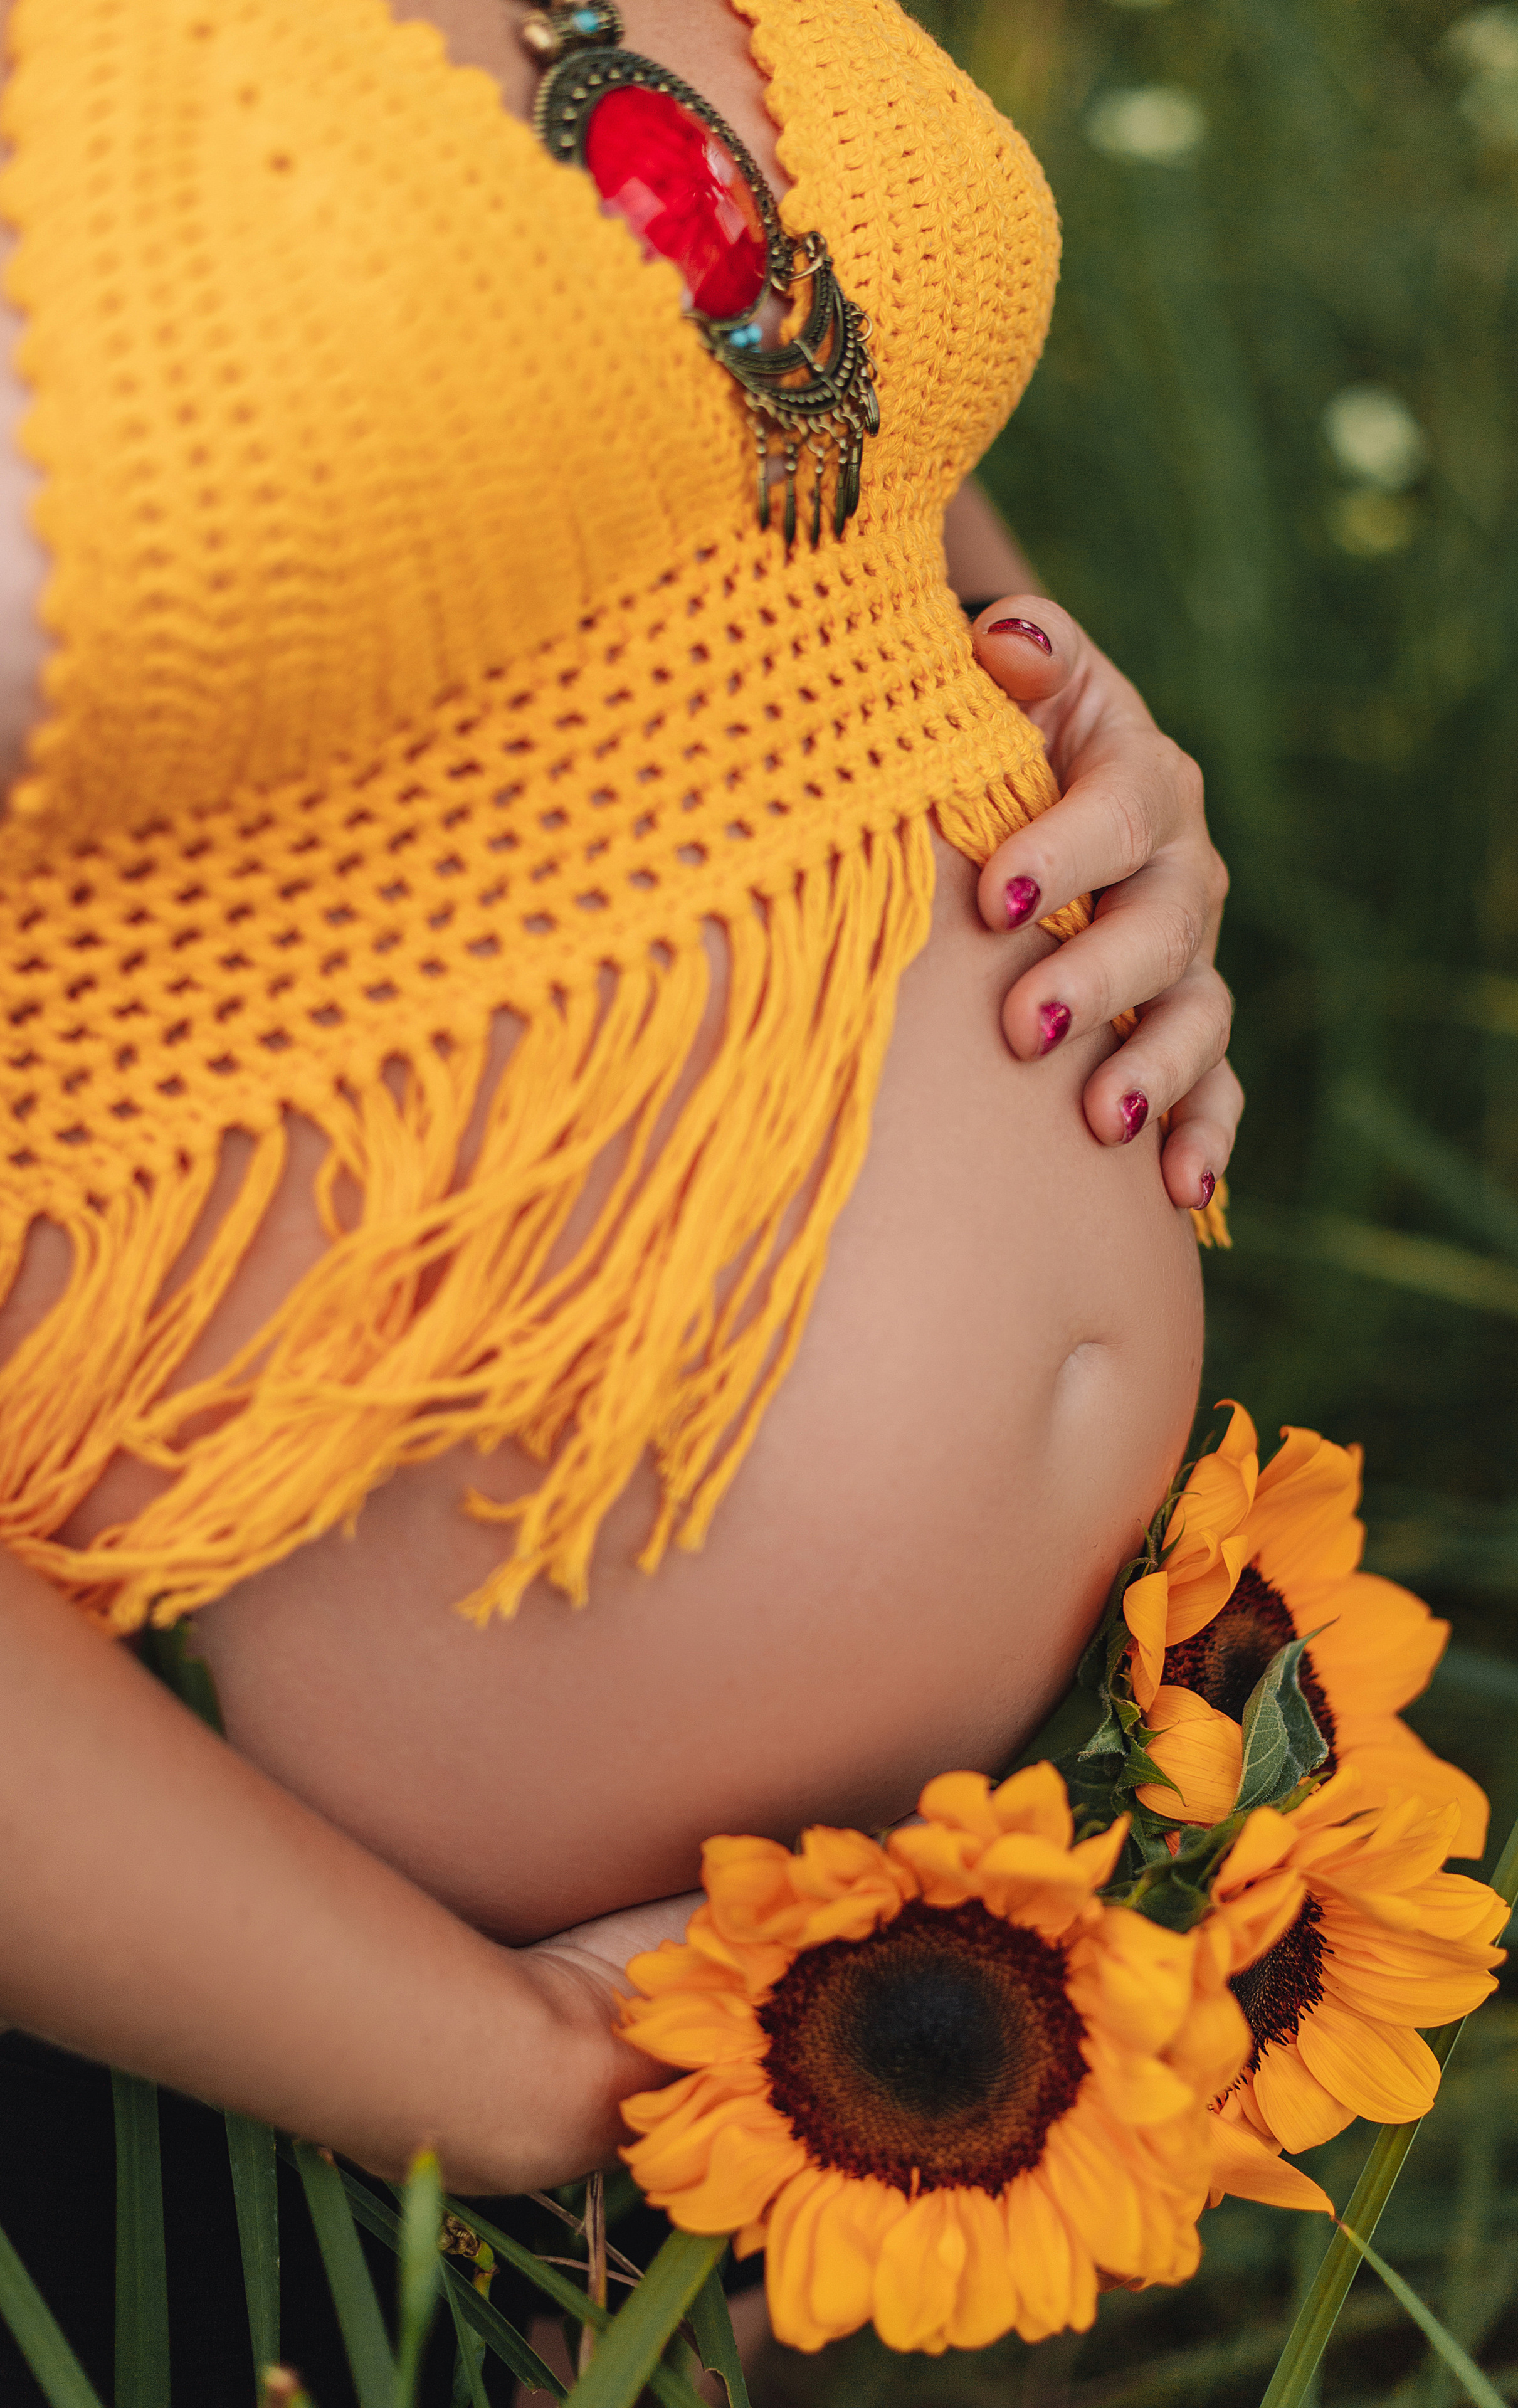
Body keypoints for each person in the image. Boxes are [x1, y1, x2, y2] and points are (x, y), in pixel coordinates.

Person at [0, 0, 1240, 2241]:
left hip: (825, 1961)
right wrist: (506, 2069)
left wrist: (1050, 717)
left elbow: (785, 401)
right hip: (231, 2043)